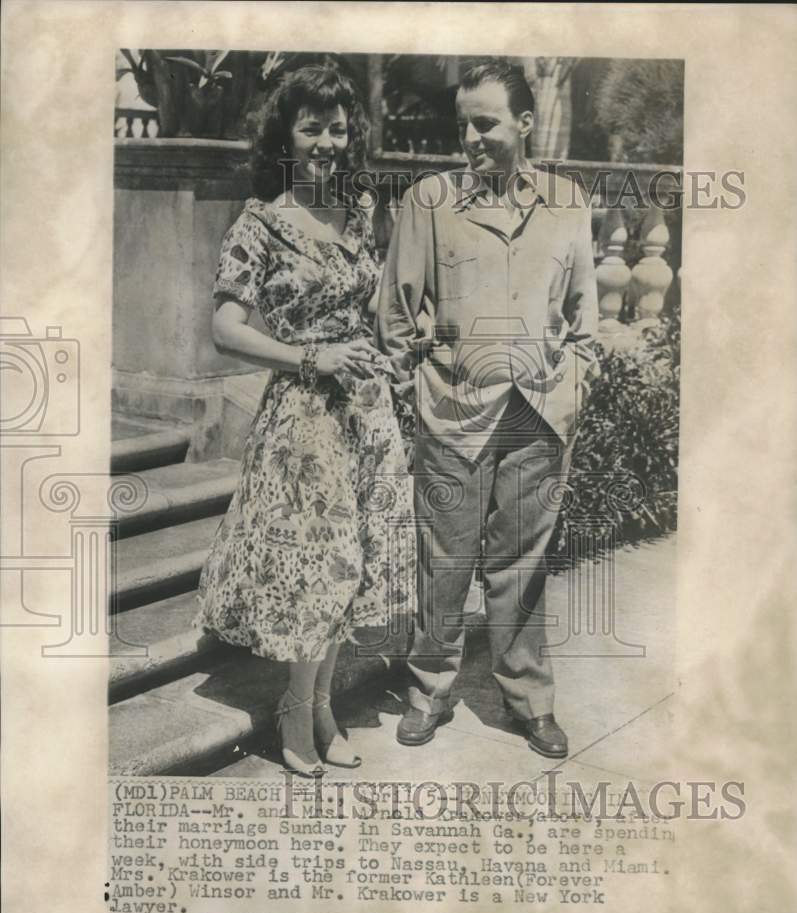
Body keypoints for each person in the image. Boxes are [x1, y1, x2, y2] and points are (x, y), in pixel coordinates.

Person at [194, 63, 415, 776]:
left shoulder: (358, 214)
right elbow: (226, 329)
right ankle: (298, 708)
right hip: (303, 418)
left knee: (355, 564)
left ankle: (320, 700)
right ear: (286, 134)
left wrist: (397, 349)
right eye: (311, 126)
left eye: (338, 128)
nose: (326, 140)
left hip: (366, 416)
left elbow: (374, 316)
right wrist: (308, 357)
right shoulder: (260, 223)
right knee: (321, 563)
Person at [376, 59, 599, 758]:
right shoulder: (428, 202)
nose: (469, 138)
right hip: (453, 412)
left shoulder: (568, 204)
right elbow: (393, 313)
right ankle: (429, 690)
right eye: (462, 124)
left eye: (484, 122)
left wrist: (571, 387)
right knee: (442, 563)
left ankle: (529, 700)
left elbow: (583, 317)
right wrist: (434, 370)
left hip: (536, 416)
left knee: (523, 566)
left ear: (524, 123)